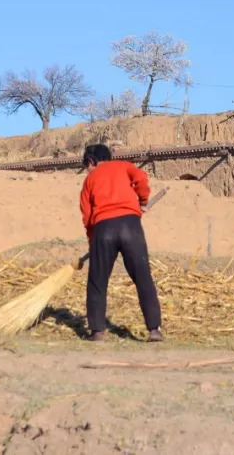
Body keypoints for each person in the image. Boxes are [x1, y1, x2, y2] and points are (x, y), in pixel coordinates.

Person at [78, 143, 163, 342]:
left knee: (97, 281)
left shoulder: (90, 178)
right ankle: (154, 330)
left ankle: (97, 332)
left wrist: (94, 242)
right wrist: (142, 200)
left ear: (91, 161)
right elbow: (141, 178)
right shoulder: (123, 166)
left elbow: (87, 214)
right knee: (143, 277)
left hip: (103, 228)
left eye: (86, 165)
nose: (88, 170)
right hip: (130, 226)